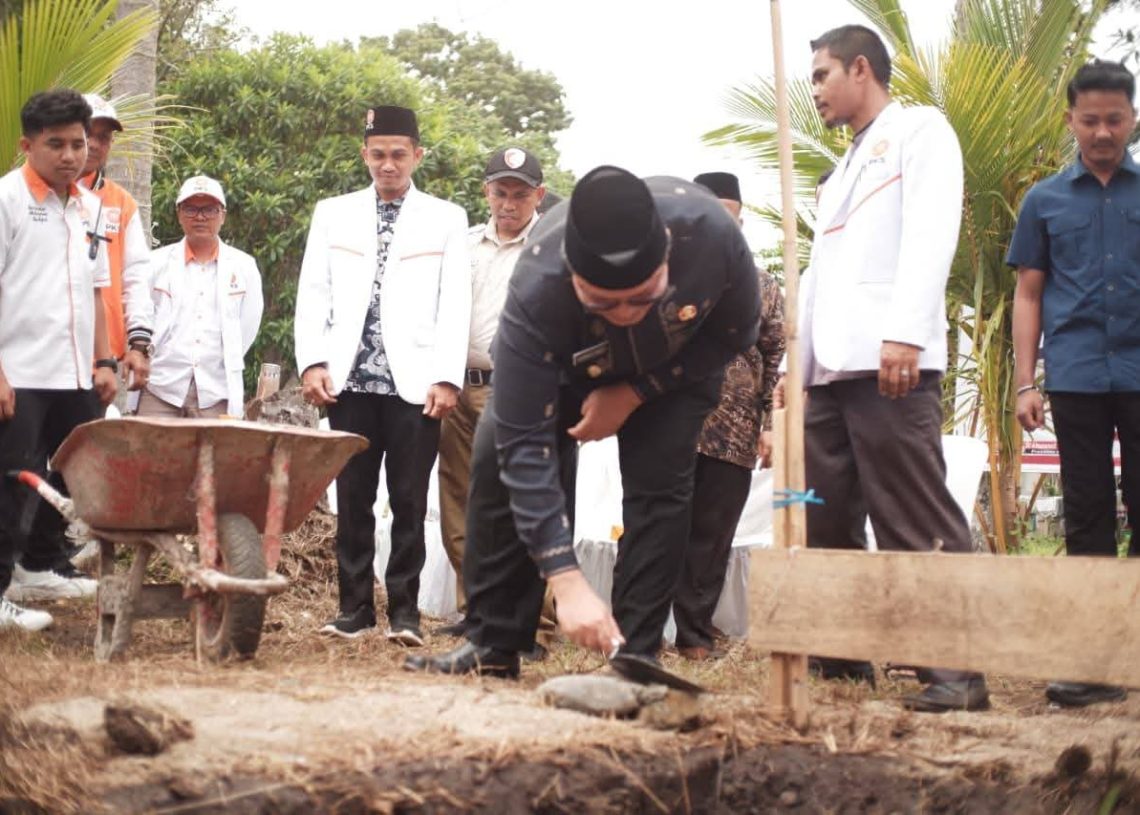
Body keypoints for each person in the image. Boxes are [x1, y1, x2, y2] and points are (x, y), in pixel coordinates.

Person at [406, 165, 761, 678]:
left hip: (674, 368)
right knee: (493, 456)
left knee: (661, 490)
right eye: (604, 301)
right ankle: (495, 640)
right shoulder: (535, 285)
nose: (625, 314)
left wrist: (638, 391)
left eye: (642, 297)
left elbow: (734, 335)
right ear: (571, 274)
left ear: (667, 255)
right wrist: (566, 579)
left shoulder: (712, 239)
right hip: (570, 363)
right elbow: (524, 447)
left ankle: (633, 653)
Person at [799, 24, 988, 712]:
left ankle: (956, 671)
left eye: (821, 74)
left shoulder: (919, 130)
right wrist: (801, 366)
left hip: (890, 360)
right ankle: (843, 657)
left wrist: (907, 331)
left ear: (859, 68)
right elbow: (820, 277)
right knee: (825, 514)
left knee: (913, 512)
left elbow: (932, 229)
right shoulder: (843, 162)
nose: (813, 89)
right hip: (830, 368)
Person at [296, 105, 471, 645]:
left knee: (410, 500)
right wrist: (312, 362)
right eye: (378, 154)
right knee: (352, 498)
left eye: (399, 154)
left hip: (414, 383)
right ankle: (353, 609)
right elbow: (314, 292)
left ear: (417, 155)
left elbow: (454, 303)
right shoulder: (333, 212)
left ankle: (405, 612)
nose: (388, 165)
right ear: (364, 154)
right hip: (348, 381)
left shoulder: (446, 217)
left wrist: (446, 376)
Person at [1009, 59, 1137, 708]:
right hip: (1077, 378)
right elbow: (1028, 294)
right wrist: (1024, 382)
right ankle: (1093, 666)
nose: (1103, 132)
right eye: (1090, 120)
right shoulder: (1045, 200)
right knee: (1085, 514)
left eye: (1114, 119)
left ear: (1133, 118)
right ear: (1071, 122)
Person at [0, 89, 117, 628]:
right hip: (17, 372)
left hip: (76, 374)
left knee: (76, 468)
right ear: (28, 145)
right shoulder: (7, 201)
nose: (71, 155)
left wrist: (105, 363)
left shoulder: (92, 208)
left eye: (78, 144)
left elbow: (96, 289)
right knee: (10, 477)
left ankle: (40, 566)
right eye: (57, 145)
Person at [672, 171, 785, 661]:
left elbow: (776, 356)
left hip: (732, 431)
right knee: (657, 526)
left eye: (732, 219)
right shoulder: (668, 276)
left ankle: (695, 635)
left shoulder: (762, 285)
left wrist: (769, 426)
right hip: (669, 427)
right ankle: (637, 630)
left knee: (712, 535)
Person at [436, 146, 545, 630]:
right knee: (460, 499)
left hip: (520, 391)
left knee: (523, 499)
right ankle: (475, 609)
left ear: (538, 196)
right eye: (500, 192)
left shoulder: (551, 244)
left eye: (520, 195)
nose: (508, 204)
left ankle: (531, 617)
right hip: (460, 387)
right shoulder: (459, 245)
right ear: (486, 192)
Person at [135, 175, 263, 419]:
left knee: (212, 458)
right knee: (150, 457)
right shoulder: (155, 263)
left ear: (222, 215)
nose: (201, 217)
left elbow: (247, 326)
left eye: (209, 210)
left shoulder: (244, 267)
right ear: (179, 213)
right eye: (192, 209)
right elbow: (141, 317)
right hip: (160, 387)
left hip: (216, 392)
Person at [79, 93, 154, 389]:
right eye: (87, 133)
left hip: (102, 365)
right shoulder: (36, 195)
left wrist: (138, 344)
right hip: (41, 360)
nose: (95, 144)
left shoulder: (122, 204)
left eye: (104, 137)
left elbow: (135, 277)